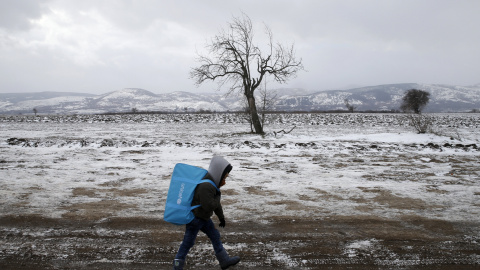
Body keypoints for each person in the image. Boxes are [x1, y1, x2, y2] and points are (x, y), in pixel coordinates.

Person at [173, 156, 241, 270]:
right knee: (188, 243)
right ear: (218, 173)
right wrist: (218, 197)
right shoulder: (206, 186)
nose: (225, 180)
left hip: (203, 218)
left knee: (215, 236)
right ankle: (177, 266)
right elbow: (209, 205)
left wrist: (221, 218)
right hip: (195, 219)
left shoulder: (213, 185)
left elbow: (216, 204)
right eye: (225, 176)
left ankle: (224, 260)